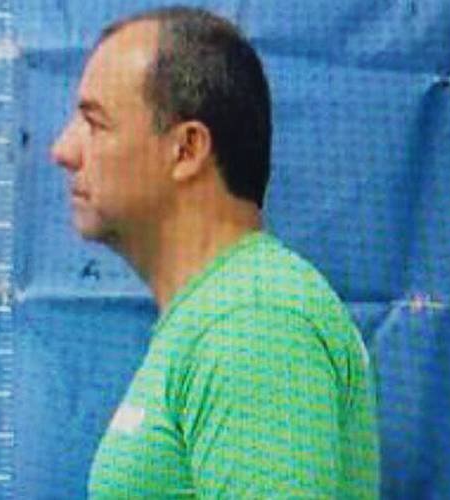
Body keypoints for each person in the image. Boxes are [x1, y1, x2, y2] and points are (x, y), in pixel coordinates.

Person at [50, 6, 379, 498]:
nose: (63, 150)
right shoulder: (222, 313)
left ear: (186, 150)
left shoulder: (254, 321)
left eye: (95, 124)